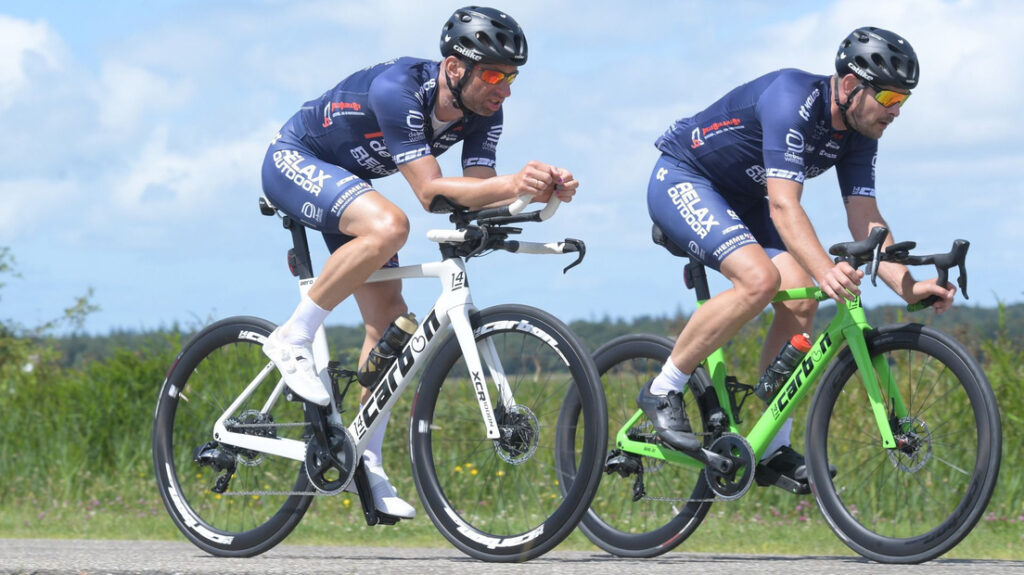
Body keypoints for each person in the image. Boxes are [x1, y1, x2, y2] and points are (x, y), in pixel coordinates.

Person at [260, 6, 577, 518]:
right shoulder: (398, 90)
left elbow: (475, 191)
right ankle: (291, 337)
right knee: (391, 225)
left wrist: (538, 196)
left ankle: (364, 460)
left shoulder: (485, 111)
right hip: (295, 160)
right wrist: (515, 183)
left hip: (348, 186)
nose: (505, 89)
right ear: (455, 67)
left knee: (390, 321)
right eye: (494, 74)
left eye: (512, 75)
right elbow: (431, 193)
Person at [641, 27, 955, 490]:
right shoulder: (791, 99)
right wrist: (826, 270)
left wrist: (907, 286)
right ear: (849, 85)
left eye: (903, 99)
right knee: (759, 280)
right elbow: (784, 205)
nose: (896, 110)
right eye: (888, 95)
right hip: (686, 177)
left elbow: (864, 217)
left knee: (800, 302)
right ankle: (663, 388)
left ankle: (770, 445)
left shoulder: (861, 132)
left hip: (743, 201)